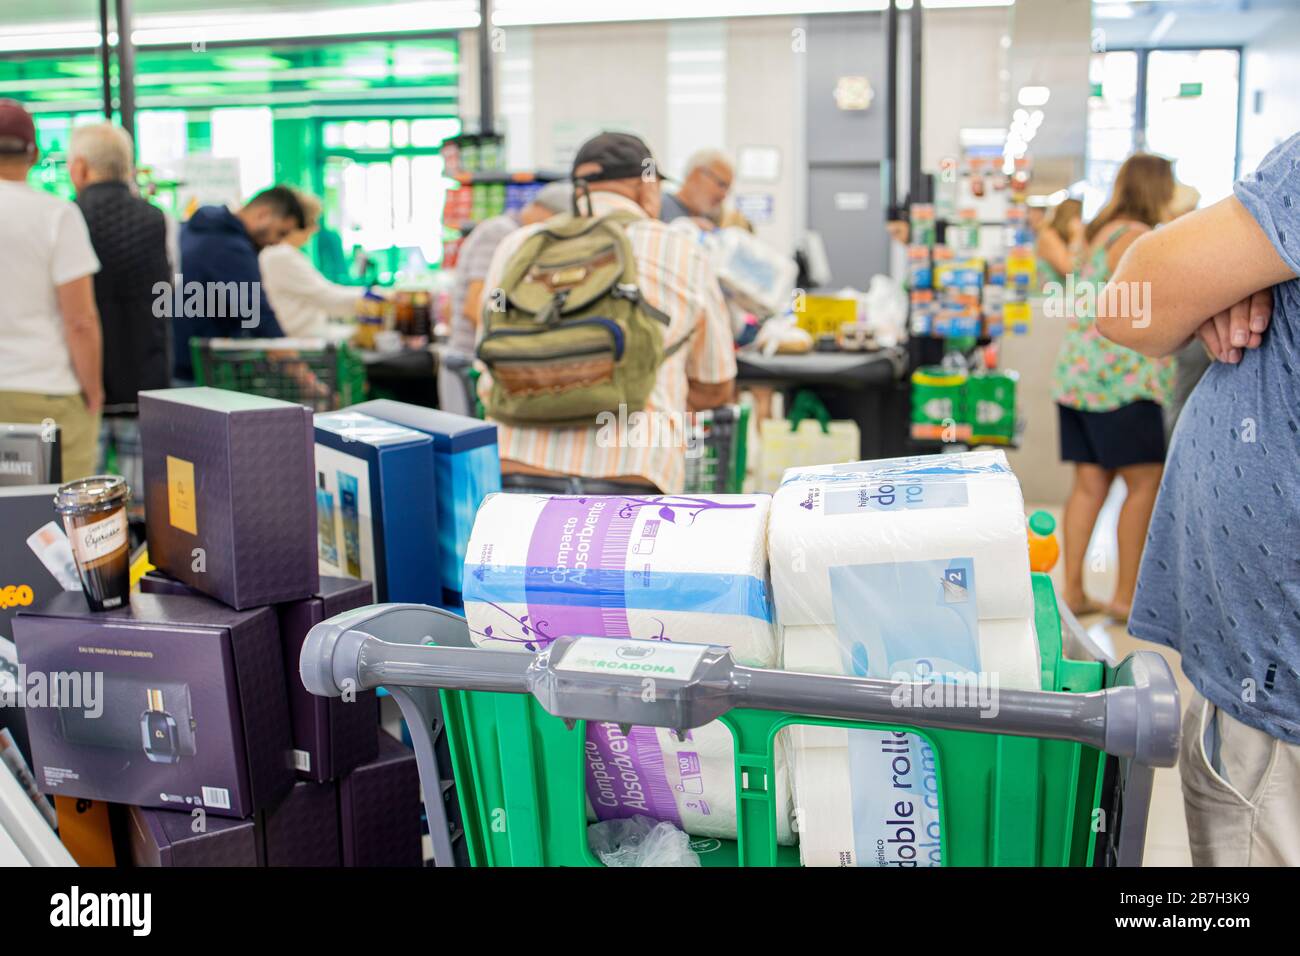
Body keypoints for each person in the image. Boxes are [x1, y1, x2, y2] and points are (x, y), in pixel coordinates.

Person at [1097, 133, 1300, 867]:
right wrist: (1238, 280)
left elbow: (1130, 302)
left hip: (1276, 686)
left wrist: (1232, 277)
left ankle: (1114, 591)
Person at [479, 131, 736, 494]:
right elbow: (715, 384)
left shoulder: (516, 246)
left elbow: (485, 363)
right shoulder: (681, 248)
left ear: (577, 189)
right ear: (647, 186)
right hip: (631, 474)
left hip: (515, 469)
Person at [1051, 153, 1177, 620]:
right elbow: (1150, 307)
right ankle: (1126, 597)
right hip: (1122, 381)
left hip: (1078, 375)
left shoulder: (1096, 232)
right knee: (1143, 483)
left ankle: (1075, 592)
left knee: (1089, 486)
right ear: (1157, 188)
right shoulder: (1138, 239)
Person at [68, 122, 171, 529]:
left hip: (84, 384)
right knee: (142, 508)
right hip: (144, 380)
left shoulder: (68, 217)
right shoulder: (155, 219)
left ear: (80, 168)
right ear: (127, 169)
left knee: (84, 508)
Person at [0, 99, 103, 481]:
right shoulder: (57, 215)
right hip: (46, 392)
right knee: (58, 528)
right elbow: (80, 320)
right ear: (35, 153)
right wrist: (93, 391)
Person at [442, 181, 571, 415]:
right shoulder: (501, 234)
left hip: (475, 360)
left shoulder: (515, 235)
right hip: (469, 364)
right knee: (468, 446)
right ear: (548, 213)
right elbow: (478, 303)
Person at [173, 185, 305, 382]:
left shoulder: (196, 228)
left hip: (174, 360)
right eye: (280, 233)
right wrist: (305, 378)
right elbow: (260, 317)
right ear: (264, 214)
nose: (277, 242)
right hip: (195, 373)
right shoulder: (231, 247)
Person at [258, 191, 366, 338]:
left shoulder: (281, 253)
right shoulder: (280, 255)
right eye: (312, 222)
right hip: (298, 340)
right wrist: (377, 296)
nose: (315, 229)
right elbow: (330, 299)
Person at [659, 148, 733, 226]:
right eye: (721, 184)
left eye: (727, 189)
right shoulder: (659, 206)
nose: (723, 195)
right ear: (696, 174)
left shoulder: (708, 220)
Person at [1036, 198, 1083, 288]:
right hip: (1047, 298)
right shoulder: (1048, 235)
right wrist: (1076, 236)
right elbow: (1068, 269)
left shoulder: (1064, 237)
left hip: (1061, 297)